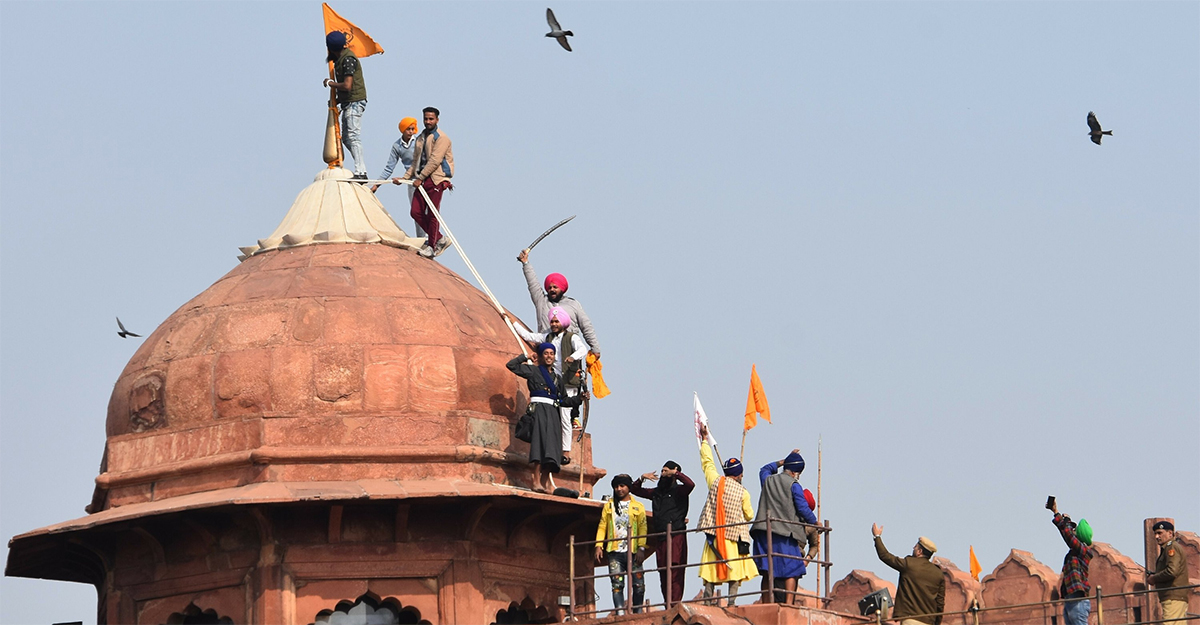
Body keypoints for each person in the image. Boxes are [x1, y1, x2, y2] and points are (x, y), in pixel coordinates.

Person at [506, 343, 586, 493]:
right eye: (546, 353)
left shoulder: (557, 378)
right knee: (539, 445)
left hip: (553, 413)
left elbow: (564, 400)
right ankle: (535, 481)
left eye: (552, 353)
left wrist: (579, 398)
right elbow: (511, 365)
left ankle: (545, 482)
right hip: (539, 412)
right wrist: (526, 357)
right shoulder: (533, 371)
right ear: (542, 356)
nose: (549, 356)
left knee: (552, 448)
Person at [511, 307, 587, 464]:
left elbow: (583, 349)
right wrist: (512, 323)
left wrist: (572, 358)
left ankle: (565, 451)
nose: (553, 324)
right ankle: (552, 451)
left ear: (563, 322)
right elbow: (530, 336)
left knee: (565, 418)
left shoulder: (571, 338)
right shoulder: (548, 337)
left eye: (556, 321)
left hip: (567, 380)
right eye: (552, 321)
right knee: (554, 418)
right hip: (550, 379)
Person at [695, 424, 757, 605]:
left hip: (714, 537)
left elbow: (707, 462)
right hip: (734, 539)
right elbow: (749, 515)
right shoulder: (743, 492)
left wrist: (705, 440)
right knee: (734, 572)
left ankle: (707, 603)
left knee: (710, 572)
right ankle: (731, 603)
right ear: (739, 474)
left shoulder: (715, 481)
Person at [750, 449, 817, 604]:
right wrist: (815, 522)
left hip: (763, 532)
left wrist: (782, 461)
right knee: (792, 570)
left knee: (767, 571)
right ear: (796, 472)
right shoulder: (794, 485)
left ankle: (766, 603)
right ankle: (788, 604)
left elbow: (764, 469)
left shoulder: (768, 480)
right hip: (784, 535)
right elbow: (802, 507)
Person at [630, 461, 695, 606]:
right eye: (662, 471)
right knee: (663, 571)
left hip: (676, 535)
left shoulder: (679, 490)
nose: (663, 474)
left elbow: (691, 484)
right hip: (661, 536)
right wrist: (642, 478)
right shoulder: (657, 492)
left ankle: (675, 604)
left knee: (676, 570)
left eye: (666, 471)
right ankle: (668, 604)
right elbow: (635, 490)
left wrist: (676, 474)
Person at [516, 249, 601, 359]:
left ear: (562, 288)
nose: (552, 290)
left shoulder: (573, 305)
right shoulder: (542, 301)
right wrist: (526, 263)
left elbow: (586, 326)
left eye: (555, 287)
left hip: (569, 353)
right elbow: (533, 284)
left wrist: (595, 348)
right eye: (549, 287)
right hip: (548, 354)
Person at [396, 107, 454, 258]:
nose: (428, 122)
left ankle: (432, 246)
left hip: (437, 179)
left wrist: (420, 177)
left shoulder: (442, 138)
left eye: (431, 119)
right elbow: (415, 161)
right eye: (426, 119)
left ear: (437, 120)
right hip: (422, 179)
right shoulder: (421, 137)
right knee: (415, 212)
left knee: (433, 213)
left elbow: (435, 161)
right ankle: (440, 239)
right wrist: (405, 178)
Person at [871, 524, 945, 625]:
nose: (913, 548)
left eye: (915, 547)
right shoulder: (938, 574)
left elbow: (885, 556)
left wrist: (877, 537)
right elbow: (940, 604)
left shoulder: (909, 564)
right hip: (929, 622)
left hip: (910, 620)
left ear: (919, 552)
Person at [595, 474, 647, 615]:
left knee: (639, 585)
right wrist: (599, 545)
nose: (619, 489)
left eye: (622, 486)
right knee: (617, 585)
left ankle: (638, 611)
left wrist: (641, 548)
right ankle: (619, 612)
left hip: (634, 551)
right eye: (616, 486)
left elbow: (643, 527)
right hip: (615, 551)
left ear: (628, 487)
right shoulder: (609, 506)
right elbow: (602, 526)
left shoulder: (638, 506)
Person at [322, 31, 368, 179]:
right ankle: (360, 168)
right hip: (348, 102)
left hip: (355, 102)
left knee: (353, 136)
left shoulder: (348, 59)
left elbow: (348, 85)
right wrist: (337, 100)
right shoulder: (340, 59)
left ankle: (361, 172)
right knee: (347, 139)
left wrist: (331, 84)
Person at [1047, 499, 1094, 625]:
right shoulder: (1077, 551)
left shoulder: (1084, 550)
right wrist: (1058, 515)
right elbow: (1067, 535)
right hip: (1070, 599)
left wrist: (1062, 518)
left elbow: (1068, 536)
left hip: (1077, 600)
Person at [373, 117, 422, 232]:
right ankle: (422, 239)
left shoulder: (419, 142)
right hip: (410, 182)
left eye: (413, 129)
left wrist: (404, 178)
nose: (411, 131)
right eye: (408, 129)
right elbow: (389, 168)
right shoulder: (397, 146)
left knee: (427, 211)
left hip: (423, 178)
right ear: (403, 130)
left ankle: (432, 239)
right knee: (416, 212)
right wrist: (376, 185)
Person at [1147, 521, 1190, 622]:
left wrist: (1154, 578)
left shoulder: (1171, 547)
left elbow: (1172, 571)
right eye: (1155, 534)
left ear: (1170, 533)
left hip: (1173, 596)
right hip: (1175, 596)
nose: (1157, 536)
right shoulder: (1169, 548)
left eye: (1160, 533)